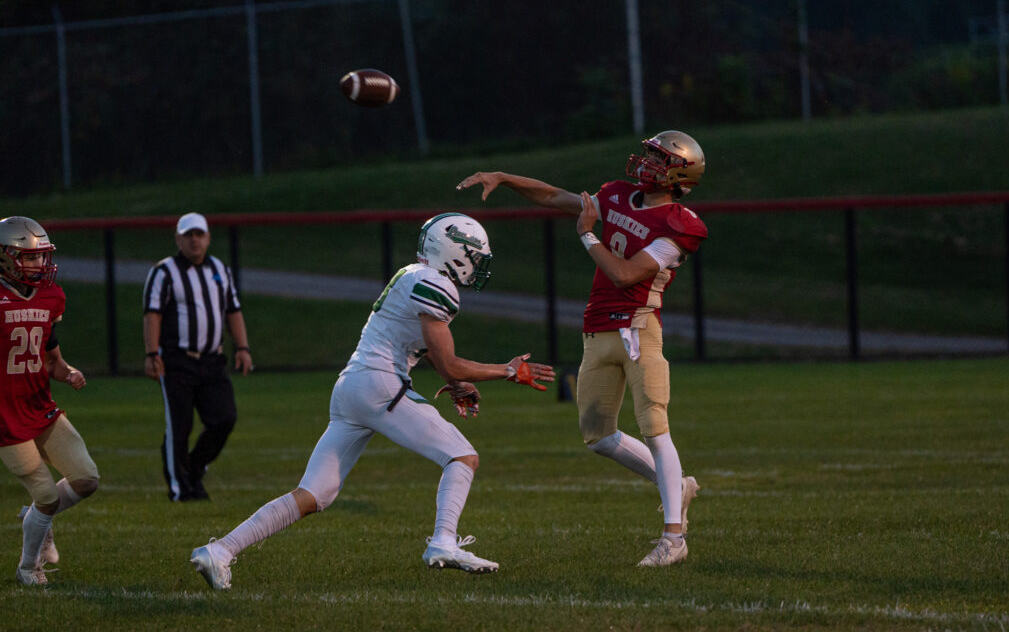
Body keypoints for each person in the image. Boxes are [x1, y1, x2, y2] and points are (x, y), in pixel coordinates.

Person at [189, 212, 554, 590]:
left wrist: (456, 383)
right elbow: (448, 359)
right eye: (474, 256)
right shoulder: (435, 285)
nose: (477, 266)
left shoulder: (413, 273)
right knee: (462, 456)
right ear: (455, 253)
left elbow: (427, 350)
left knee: (316, 493)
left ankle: (220, 551)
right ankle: (443, 541)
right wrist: (508, 371)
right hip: (381, 383)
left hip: (352, 385)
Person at [458, 130, 708, 567]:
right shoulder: (615, 194)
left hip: (639, 329)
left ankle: (674, 536)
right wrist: (505, 176)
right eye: (648, 155)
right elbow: (555, 196)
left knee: (655, 426)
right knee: (599, 437)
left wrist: (587, 236)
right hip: (596, 331)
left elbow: (627, 275)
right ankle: (676, 485)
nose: (645, 163)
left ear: (677, 174)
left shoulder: (681, 224)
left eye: (657, 159)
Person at [0, 216, 99, 586]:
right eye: (29, 257)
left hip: (40, 406)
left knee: (87, 478)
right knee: (46, 495)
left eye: (42, 257)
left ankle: (35, 518)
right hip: (5, 415)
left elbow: (51, 360)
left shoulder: (51, 296)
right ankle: (28, 568)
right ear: (6, 258)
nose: (39, 265)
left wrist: (68, 372)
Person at [143, 212, 253, 502]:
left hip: (212, 359)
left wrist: (242, 348)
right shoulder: (164, 272)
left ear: (208, 238)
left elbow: (233, 310)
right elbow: (152, 313)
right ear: (178, 238)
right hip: (177, 360)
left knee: (224, 418)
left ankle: (193, 468)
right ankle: (181, 489)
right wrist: (152, 353)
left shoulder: (219, 268)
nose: (194, 240)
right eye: (188, 235)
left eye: (199, 234)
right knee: (180, 426)